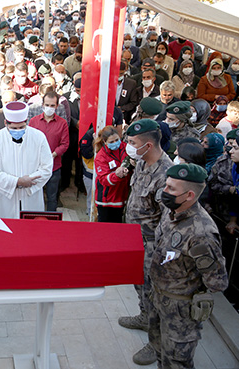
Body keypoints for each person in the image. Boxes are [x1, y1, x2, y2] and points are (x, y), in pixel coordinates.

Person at [149, 163, 228, 368]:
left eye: (171, 189)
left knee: (176, 361)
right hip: (158, 297)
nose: (164, 192)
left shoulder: (201, 233)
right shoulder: (171, 211)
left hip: (180, 311)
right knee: (159, 350)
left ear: (190, 195)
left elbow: (217, 282)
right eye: (166, 186)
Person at [118, 119, 173, 366]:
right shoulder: (141, 161)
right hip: (134, 239)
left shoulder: (166, 176)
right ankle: (143, 316)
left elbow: (168, 221)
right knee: (139, 286)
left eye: (132, 143)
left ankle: (155, 343)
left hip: (152, 244)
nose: (128, 146)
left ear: (148, 145)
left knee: (153, 293)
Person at [0, 101, 53, 218]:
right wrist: (17, 181)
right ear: (6, 123)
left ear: (26, 121)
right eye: (13, 128)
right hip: (4, 196)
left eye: (21, 127)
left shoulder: (39, 137)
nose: (18, 131)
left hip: (31, 194)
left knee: (31, 230)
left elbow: (46, 168)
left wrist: (29, 181)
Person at [28, 91, 69, 211]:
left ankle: (51, 223)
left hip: (54, 166)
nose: (49, 108)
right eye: (47, 105)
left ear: (57, 106)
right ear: (42, 105)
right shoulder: (34, 121)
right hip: (36, 166)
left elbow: (65, 144)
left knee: (52, 197)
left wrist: (53, 154)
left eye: (52, 105)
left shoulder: (62, 123)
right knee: (34, 195)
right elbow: (28, 141)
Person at [93, 126, 130, 222]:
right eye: (111, 142)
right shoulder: (101, 157)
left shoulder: (126, 148)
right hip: (106, 199)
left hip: (122, 196)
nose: (115, 143)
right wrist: (117, 175)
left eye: (117, 140)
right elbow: (104, 179)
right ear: (105, 142)